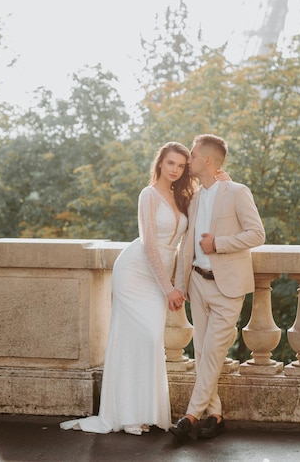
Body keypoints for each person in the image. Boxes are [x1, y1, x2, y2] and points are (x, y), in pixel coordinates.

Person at [60, 141, 194, 435]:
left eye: (181, 166)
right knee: (137, 339)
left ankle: (146, 411)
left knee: (150, 341)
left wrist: (175, 285)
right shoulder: (148, 194)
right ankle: (127, 414)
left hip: (160, 278)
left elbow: (182, 244)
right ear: (160, 163)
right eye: (171, 163)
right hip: (135, 272)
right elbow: (148, 243)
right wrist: (167, 286)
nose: (175, 170)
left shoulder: (181, 196)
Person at [169, 134, 265, 441]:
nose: (189, 160)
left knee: (212, 351)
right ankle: (215, 415)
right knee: (201, 352)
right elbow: (186, 246)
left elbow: (257, 234)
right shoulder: (195, 196)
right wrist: (180, 285)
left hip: (227, 287)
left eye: (193, 155)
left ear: (207, 160)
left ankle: (190, 415)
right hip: (197, 282)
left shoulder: (237, 191)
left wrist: (218, 244)